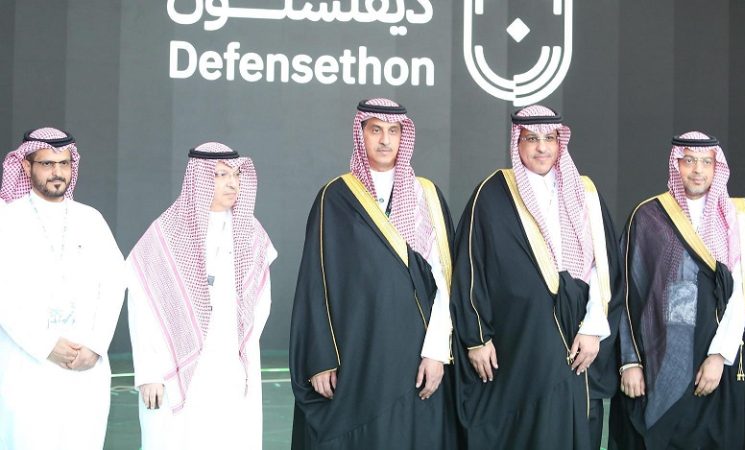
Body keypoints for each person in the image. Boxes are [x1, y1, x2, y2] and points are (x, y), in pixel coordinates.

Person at [451, 105, 621, 450]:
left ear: (560, 142)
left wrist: (593, 328)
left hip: (576, 334)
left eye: (550, 138)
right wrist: (477, 338)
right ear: (518, 142)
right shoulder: (492, 193)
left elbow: (603, 268)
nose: (542, 147)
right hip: (515, 340)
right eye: (531, 139)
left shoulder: (585, 192)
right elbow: (470, 267)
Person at [289, 98, 456, 449]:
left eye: (393, 131)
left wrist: (437, 351)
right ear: (360, 134)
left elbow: (445, 281)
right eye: (375, 130)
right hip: (356, 354)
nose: (385, 140)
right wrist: (321, 358)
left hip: (415, 354)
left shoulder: (426, 195)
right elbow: (315, 284)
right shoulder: (335, 197)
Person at [608, 131, 745, 449]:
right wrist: (630, 361)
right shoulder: (648, 217)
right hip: (656, 361)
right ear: (676, 164)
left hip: (713, 363)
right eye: (689, 161)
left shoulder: (732, 219)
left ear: (716, 167)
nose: (698, 170)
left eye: (706, 162)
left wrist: (719, 356)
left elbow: (739, 296)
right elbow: (627, 295)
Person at [127, 143, 276, 450]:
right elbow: (141, 308)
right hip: (176, 366)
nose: (232, 183)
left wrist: (236, 347)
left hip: (232, 366)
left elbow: (262, 303)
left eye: (235, 175)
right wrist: (149, 372)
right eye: (220, 175)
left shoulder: (251, 232)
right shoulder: (166, 233)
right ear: (200, 179)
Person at [0, 127, 126, 449]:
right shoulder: (7, 220)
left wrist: (95, 345)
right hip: (27, 364)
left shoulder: (91, 219)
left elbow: (114, 283)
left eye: (64, 164)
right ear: (26, 166)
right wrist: (45, 345)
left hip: (86, 366)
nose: (57, 173)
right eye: (47, 164)